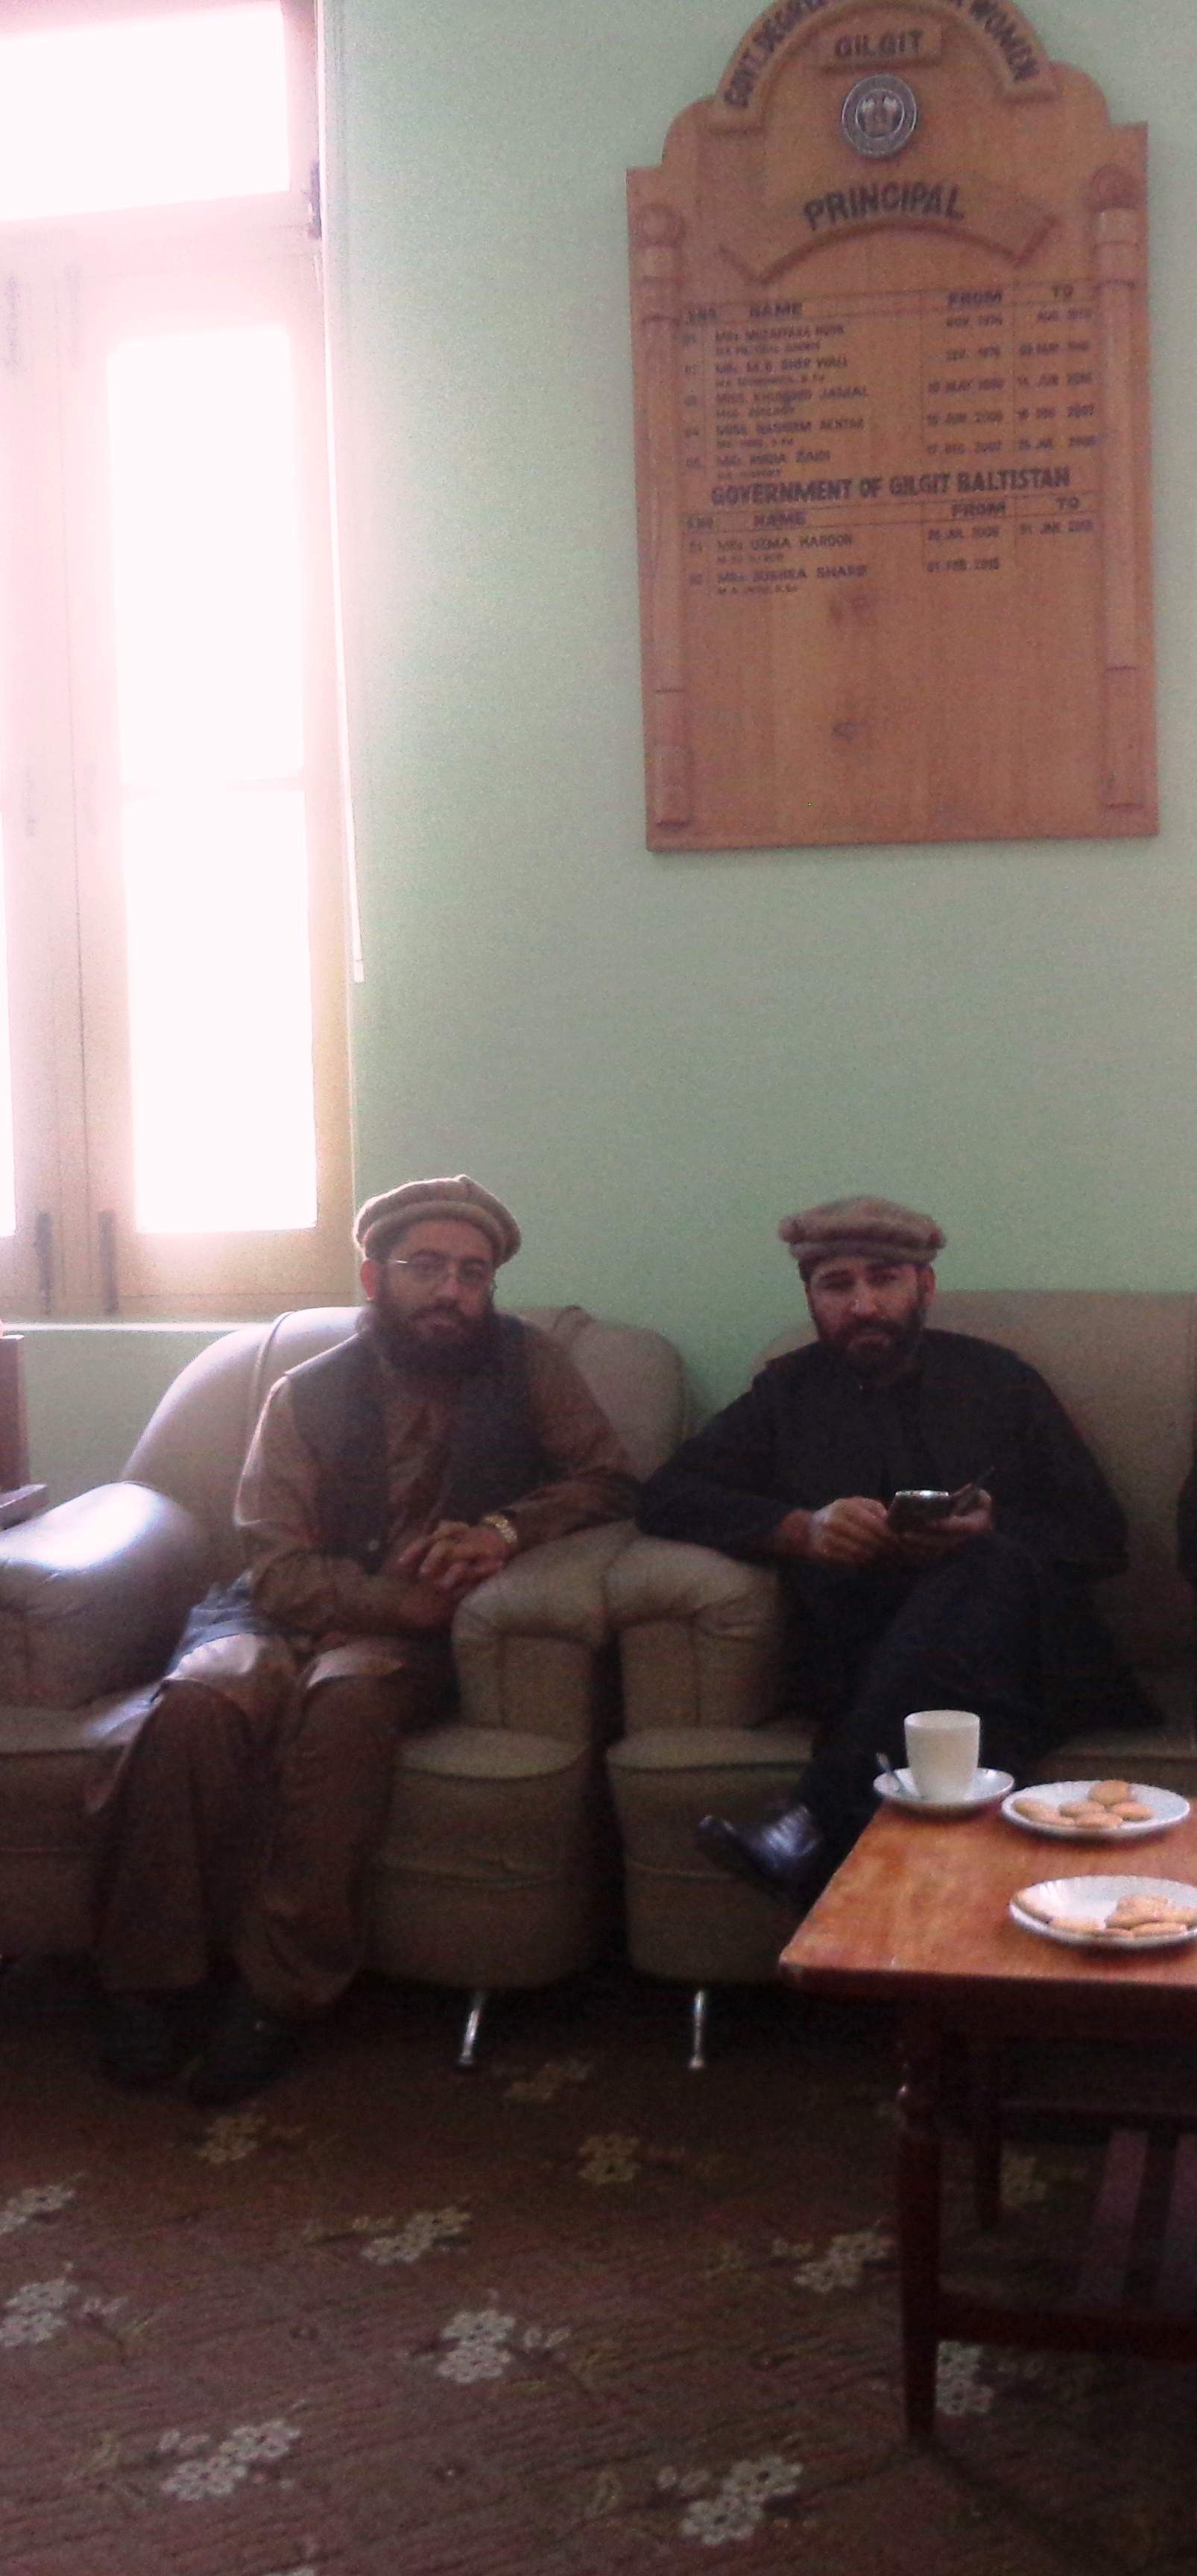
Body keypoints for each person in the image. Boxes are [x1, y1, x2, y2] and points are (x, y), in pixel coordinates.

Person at [95, 1175, 636, 2102]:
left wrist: (505, 1531)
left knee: (344, 1706)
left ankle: (278, 1994)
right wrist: (402, 1603)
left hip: (407, 1643)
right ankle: (149, 1984)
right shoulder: (304, 1394)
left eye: (472, 1274)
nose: (451, 1291)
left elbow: (608, 1480)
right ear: (374, 1276)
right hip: (282, 1613)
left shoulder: (528, 1364)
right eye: (426, 1267)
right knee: (195, 1705)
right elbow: (277, 1570)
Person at [637, 1195, 1150, 1907]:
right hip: (866, 1656)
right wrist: (802, 1529)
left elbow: (1100, 1537)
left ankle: (812, 1820)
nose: (864, 1305)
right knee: (948, 1739)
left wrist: (994, 1526)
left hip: (1028, 1658)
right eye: (837, 1285)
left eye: (884, 1280)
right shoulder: (786, 1394)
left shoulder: (1000, 1381)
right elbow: (665, 1497)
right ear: (811, 1298)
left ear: (924, 1286)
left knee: (987, 1565)